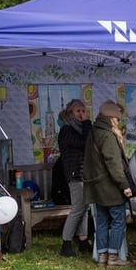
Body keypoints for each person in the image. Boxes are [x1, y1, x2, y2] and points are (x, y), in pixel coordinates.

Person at [83, 100, 134, 267]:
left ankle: (102, 256)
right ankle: (113, 256)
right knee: (118, 220)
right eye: (117, 119)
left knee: (103, 221)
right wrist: (124, 185)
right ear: (112, 118)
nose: (118, 122)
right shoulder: (107, 135)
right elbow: (113, 163)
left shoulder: (94, 132)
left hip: (97, 186)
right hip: (110, 186)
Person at [57, 99, 93, 258]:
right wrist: (87, 123)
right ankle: (66, 244)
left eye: (83, 110)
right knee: (78, 209)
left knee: (84, 209)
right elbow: (86, 142)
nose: (82, 114)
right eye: (78, 111)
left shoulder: (78, 129)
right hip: (75, 175)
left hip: (84, 173)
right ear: (70, 113)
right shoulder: (67, 130)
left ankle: (83, 240)